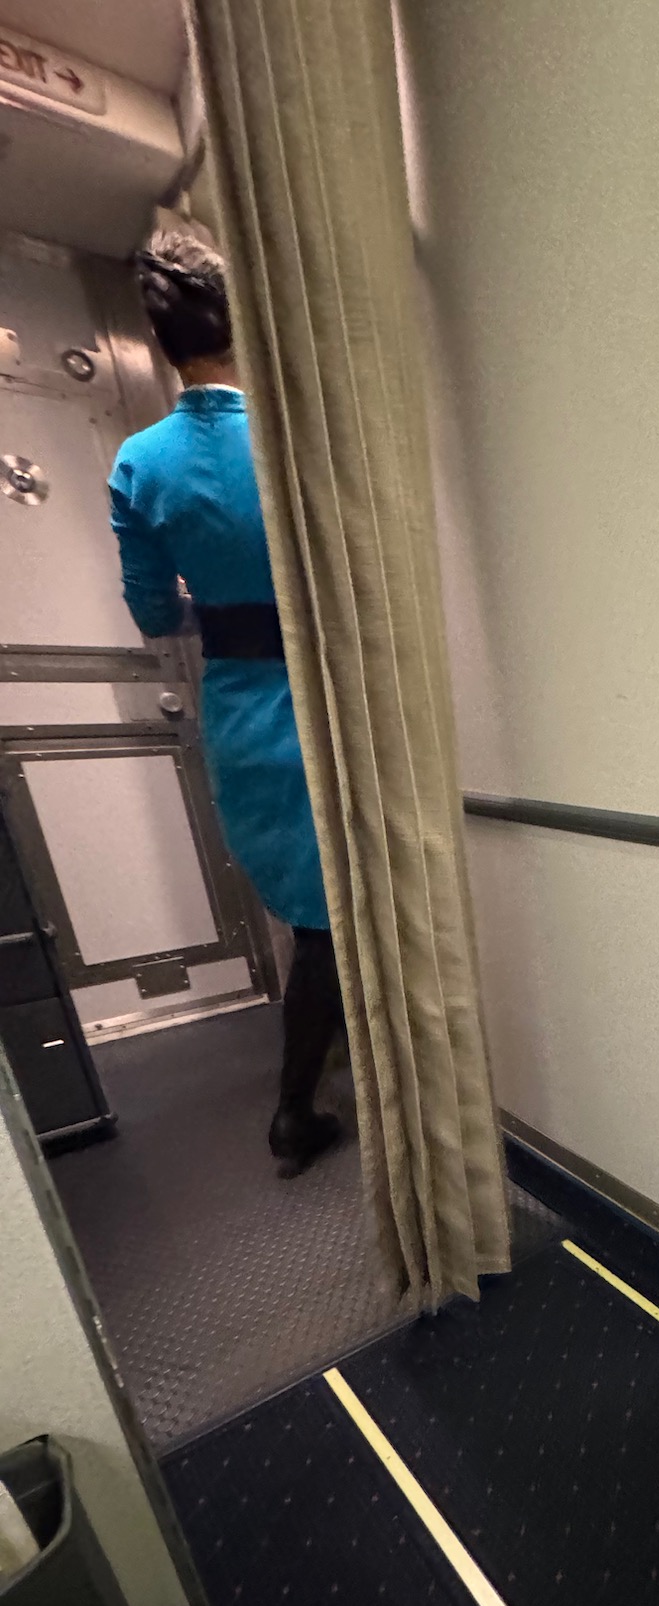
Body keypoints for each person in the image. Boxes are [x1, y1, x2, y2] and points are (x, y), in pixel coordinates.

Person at [107, 232, 342, 1177]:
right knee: (340, 922)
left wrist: (214, 602)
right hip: (329, 704)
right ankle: (294, 1109)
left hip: (242, 710)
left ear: (163, 342)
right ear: (242, 324)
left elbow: (152, 608)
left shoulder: (138, 462)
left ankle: (310, 1087)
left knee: (308, 919)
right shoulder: (295, 440)